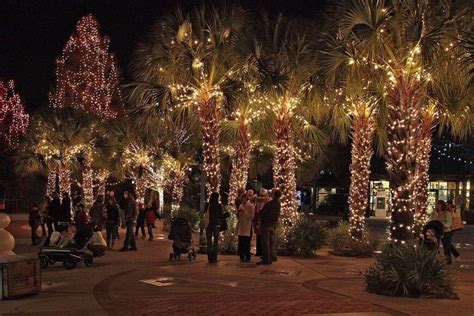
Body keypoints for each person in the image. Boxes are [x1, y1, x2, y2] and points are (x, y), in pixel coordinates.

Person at [257, 189, 281, 265]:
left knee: (266, 242)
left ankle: (266, 259)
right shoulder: (278, 203)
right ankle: (271, 256)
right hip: (273, 224)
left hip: (266, 224)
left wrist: (260, 212)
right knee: (271, 241)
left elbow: (262, 212)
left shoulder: (270, 203)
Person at [432, 200, 458, 264]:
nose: (436, 205)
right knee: (435, 245)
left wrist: (442, 224)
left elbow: (449, 223)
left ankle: (448, 261)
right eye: (436, 204)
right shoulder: (434, 213)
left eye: (438, 204)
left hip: (446, 232)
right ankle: (433, 260)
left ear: (441, 205)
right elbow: (431, 220)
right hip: (436, 231)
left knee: (446, 246)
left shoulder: (447, 213)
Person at [204, 192, 224, 263]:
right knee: (215, 242)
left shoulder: (207, 205)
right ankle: (214, 258)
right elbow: (221, 215)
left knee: (209, 241)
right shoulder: (219, 206)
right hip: (216, 225)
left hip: (208, 224)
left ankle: (209, 257)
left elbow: (205, 213)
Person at [236, 190, 256, 262]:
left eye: (245, 198)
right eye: (243, 199)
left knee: (246, 242)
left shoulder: (251, 206)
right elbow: (237, 216)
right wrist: (238, 213)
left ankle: (247, 256)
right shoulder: (240, 205)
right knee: (241, 241)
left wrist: (244, 211)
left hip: (247, 226)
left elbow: (251, 217)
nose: (243, 200)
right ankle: (241, 255)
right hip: (241, 225)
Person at [254, 188, 271, 257]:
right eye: (261, 196)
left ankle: (261, 252)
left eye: (263, 196)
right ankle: (259, 251)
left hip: (262, 220)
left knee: (262, 237)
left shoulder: (267, 202)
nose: (262, 197)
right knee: (259, 236)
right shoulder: (259, 201)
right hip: (259, 219)